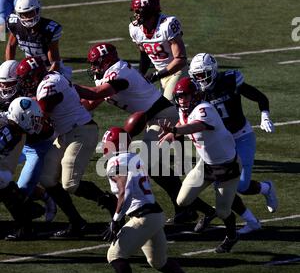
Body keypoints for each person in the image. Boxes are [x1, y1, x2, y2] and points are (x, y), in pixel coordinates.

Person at [77, 42, 211, 224]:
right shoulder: (104, 75)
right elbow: (92, 101)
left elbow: (96, 93)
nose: (93, 67)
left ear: (107, 61)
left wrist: (70, 87)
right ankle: (187, 208)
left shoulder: (119, 71)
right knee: (154, 165)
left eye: (96, 63)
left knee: (149, 162)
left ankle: (192, 208)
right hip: (151, 118)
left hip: (163, 116)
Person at [101, 126, 209, 273]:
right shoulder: (134, 158)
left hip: (143, 216)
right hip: (155, 214)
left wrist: (115, 220)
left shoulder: (115, 162)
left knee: (115, 254)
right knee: (158, 261)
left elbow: (125, 192)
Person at [16, 56, 117, 238]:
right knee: (46, 178)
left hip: (81, 131)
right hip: (66, 134)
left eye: (27, 79)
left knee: (70, 183)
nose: (25, 83)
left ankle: (110, 202)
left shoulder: (48, 88)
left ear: (37, 75)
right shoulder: (51, 78)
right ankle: (77, 222)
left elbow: (41, 120)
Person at [189, 53, 278, 234]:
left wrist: (265, 114)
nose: (200, 79)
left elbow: (259, 97)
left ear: (213, 71)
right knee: (221, 186)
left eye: (203, 74)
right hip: (218, 144)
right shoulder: (195, 92)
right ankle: (252, 222)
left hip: (241, 136)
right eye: (196, 75)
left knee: (241, 186)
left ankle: (266, 188)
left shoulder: (230, 81)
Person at [159, 77, 241, 253]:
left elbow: (194, 126)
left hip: (227, 167)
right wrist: (174, 132)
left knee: (224, 212)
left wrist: (175, 131)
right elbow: (184, 122)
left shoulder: (205, 109)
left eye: (185, 96)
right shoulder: (185, 110)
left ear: (195, 95)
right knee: (182, 200)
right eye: (179, 97)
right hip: (206, 165)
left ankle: (232, 235)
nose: (182, 100)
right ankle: (208, 212)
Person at [0, 59, 57, 222]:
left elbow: (45, 130)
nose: (4, 88)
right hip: (11, 143)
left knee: (21, 190)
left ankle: (46, 200)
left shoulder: (31, 99)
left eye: (8, 83)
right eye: (2, 84)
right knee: (5, 183)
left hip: (34, 145)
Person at [0, 96, 45, 241]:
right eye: (33, 118)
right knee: (4, 183)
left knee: (4, 183)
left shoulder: (12, 129)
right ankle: (26, 209)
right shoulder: (10, 131)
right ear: (21, 117)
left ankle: (25, 211)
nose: (36, 122)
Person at [129, 0, 188, 101]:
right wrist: (140, 75)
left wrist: (156, 75)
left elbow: (181, 60)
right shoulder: (134, 29)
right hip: (161, 74)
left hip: (177, 71)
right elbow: (144, 55)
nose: (135, 15)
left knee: (169, 104)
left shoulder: (167, 24)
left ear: (149, 12)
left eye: (138, 11)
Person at [5, 0, 71, 78]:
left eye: (30, 13)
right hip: (31, 67)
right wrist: (9, 69)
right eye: (23, 14)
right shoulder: (15, 24)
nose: (27, 17)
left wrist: (47, 78)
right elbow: (11, 46)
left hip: (50, 69)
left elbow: (54, 62)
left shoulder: (48, 29)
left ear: (38, 10)